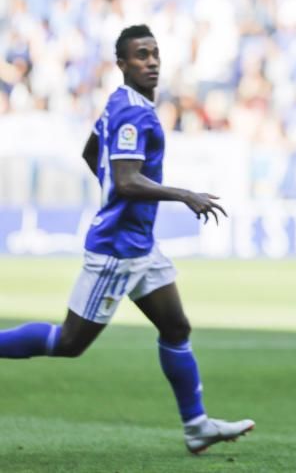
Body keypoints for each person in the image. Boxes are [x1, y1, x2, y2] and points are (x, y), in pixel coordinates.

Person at [0, 25, 254, 454]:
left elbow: (90, 153)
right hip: (117, 248)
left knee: (176, 327)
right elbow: (125, 180)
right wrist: (182, 193)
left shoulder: (121, 103)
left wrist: (116, 191)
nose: (151, 62)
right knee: (69, 343)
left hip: (139, 244)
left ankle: (197, 427)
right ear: (122, 64)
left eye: (155, 53)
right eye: (141, 55)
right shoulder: (135, 112)